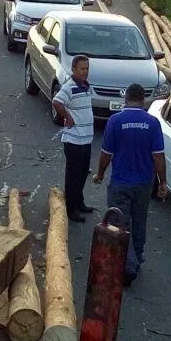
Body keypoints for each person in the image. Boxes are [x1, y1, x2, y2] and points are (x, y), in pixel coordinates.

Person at [93, 83, 166, 285]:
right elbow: (159, 156)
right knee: (140, 220)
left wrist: (100, 174)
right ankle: (138, 257)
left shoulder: (115, 121)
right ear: (143, 99)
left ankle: (128, 265)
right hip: (144, 183)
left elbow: (107, 154)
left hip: (121, 183)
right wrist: (162, 182)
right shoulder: (152, 123)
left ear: (126, 100)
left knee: (120, 223)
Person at [51, 55, 95, 222]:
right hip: (74, 140)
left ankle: (80, 202)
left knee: (83, 173)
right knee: (73, 175)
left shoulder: (85, 86)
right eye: (82, 68)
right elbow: (57, 102)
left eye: (87, 68)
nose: (85, 71)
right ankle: (71, 208)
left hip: (86, 140)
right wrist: (68, 118)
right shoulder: (69, 87)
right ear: (74, 69)